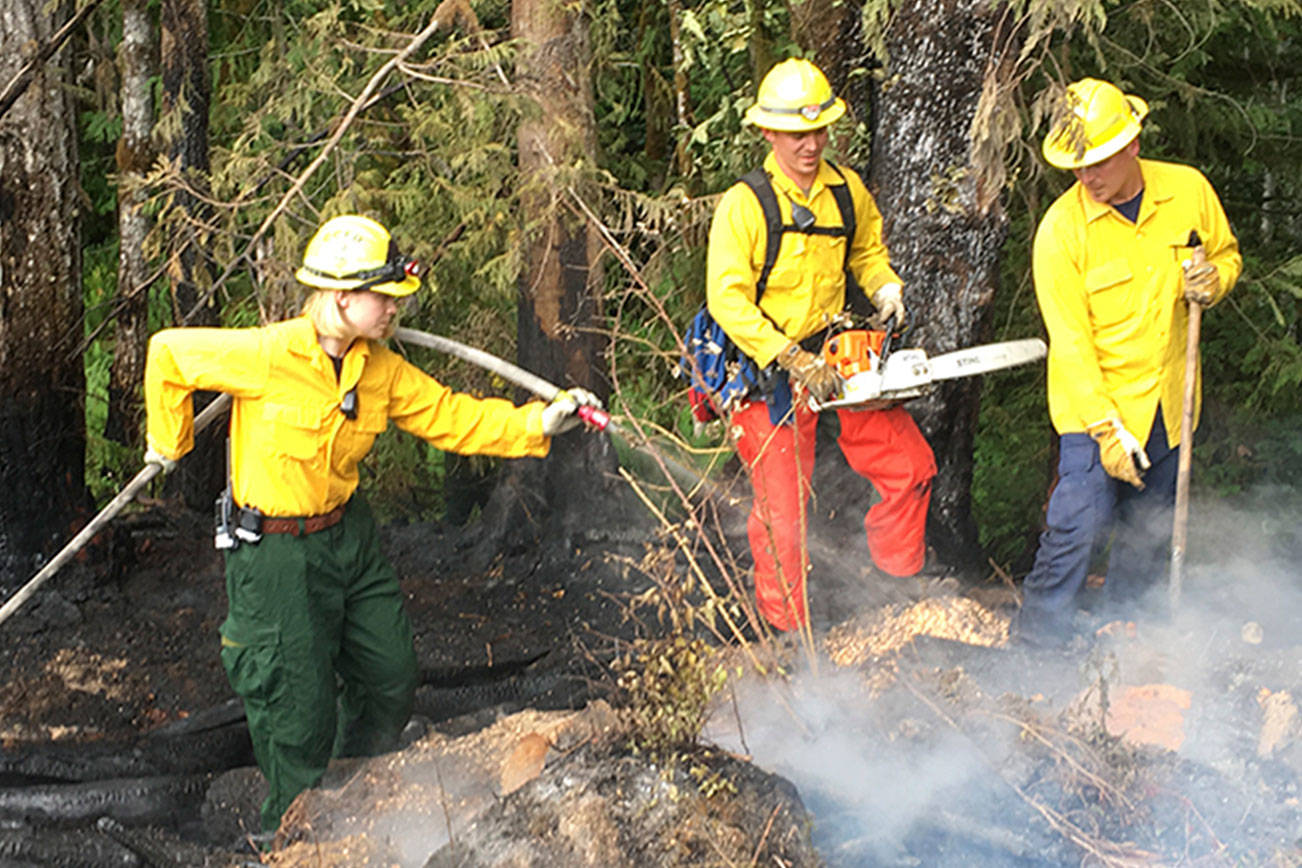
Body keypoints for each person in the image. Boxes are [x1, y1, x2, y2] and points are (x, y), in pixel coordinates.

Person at [142, 214, 600, 837]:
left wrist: (537, 425)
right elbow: (169, 352)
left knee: (389, 675)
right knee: (294, 710)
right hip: (275, 555)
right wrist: (168, 440)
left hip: (347, 539)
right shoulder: (268, 354)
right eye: (382, 299)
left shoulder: (378, 369)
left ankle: (352, 797)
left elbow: (449, 416)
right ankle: (293, 835)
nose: (392, 311)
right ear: (341, 298)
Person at [705, 57, 937, 633]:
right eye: (796, 134)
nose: (810, 145)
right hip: (765, 365)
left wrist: (885, 287)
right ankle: (789, 635)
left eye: (818, 131)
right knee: (784, 515)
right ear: (768, 132)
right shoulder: (745, 205)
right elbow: (727, 301)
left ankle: (897, 586)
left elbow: (865, 252)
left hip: (837, 357)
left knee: (910, 467)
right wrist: (790, 357)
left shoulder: (845, 191)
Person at [1014, 78, 1241, 647]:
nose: (1087, 177)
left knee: (1146, 533)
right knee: (1077, 525)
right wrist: (1106, 430)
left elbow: (1227, 254)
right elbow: (1070, 343)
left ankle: (1121, 644)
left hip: (1169, 403)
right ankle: (1035, 645)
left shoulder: (1187, 191)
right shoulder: (1061, 232)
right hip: (1094, 411)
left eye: (1098, 163)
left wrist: (1216, 281)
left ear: (1132, 145)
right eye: (1077, 167)